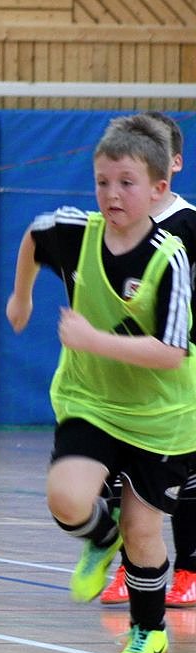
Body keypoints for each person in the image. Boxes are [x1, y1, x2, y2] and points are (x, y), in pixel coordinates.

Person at [6, 114, 196, 653]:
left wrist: (93, 340)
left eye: (126, 183)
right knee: (66, 498)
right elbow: (32, 237)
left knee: (143, 528)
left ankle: (148, 631)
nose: (112, 194)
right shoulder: (73, 231)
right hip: (90, 401)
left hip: (161, 415)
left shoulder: (169, 256)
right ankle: (98, 536)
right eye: (102, 182)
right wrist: (22, 298)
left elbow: (172, 351)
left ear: (159, 188)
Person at [100, 111, 196, 609]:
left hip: (178, 371)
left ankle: (189, 569)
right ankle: (129, 566)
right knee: (116, 478)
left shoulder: (187, 226)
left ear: (170, 164)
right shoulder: (112, 226)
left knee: (181, 480)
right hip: (124, 373)